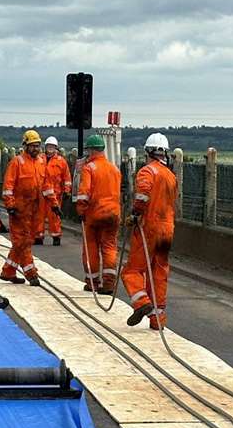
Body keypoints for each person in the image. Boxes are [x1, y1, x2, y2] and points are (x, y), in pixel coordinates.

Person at [123, 132, 176, 330]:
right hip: (167, 229)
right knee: (159, 272)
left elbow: (143, 196)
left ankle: (142, 303)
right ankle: (158, 319)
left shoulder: (147, 172)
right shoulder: (171, 176)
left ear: (148, 152)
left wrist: (135, 214)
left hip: (149, 228)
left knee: (132, 271)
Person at [73, 133, 121, 294]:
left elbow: (84, 193)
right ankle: (109, 284)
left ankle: (92, 281)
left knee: (91, 248)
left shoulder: (89, 168)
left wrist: (80, 210)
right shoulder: (114, 169)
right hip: (113, 214)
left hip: (95, 215)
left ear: (92, 150)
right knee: (109, 247)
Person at [0, 130, 46, 284]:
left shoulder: (41, 163)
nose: (35, 148)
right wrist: (10, 205)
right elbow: (8, 186)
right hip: (19, 210)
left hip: (35, 210)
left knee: (24, 242)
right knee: (23, 242)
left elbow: (46, 185)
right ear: (25, 146)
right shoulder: (17, 162)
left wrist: (53, 204)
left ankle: (8, 271)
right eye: (32, 145)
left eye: (37, 145)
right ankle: (31, 273)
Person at [41, 135, 71, 246]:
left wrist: (67, 190)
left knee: (55, 216)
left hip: (56, 194)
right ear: (45, 146)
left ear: (56, 148)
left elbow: (66, 178)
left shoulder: (61, 162)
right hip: (41, 194)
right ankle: (38, 236)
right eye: (49, 146)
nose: (50, 148)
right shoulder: (40, 159)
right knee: (39, 216)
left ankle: (56, 236)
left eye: (52, 146)